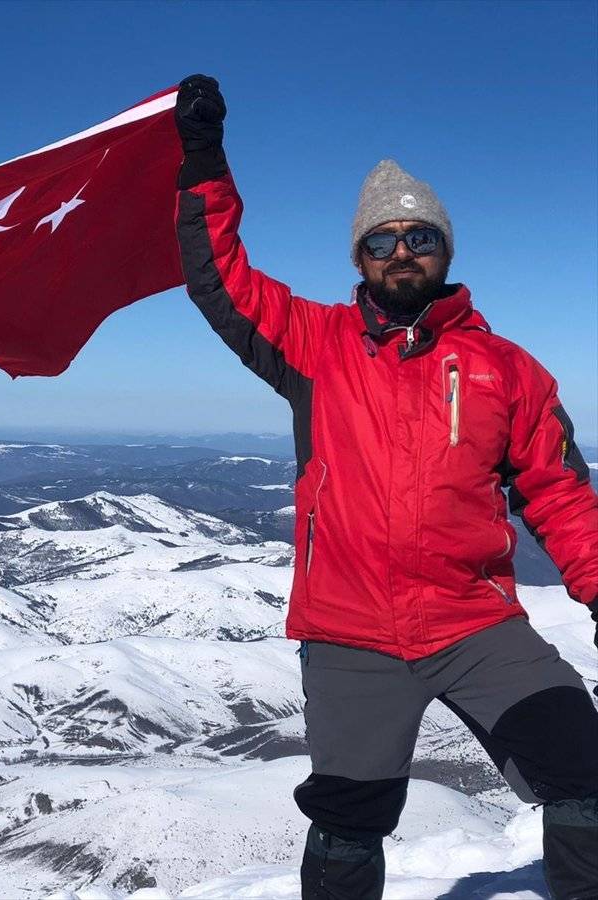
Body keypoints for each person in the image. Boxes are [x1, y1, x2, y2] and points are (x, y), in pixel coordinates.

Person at [172, 75, 598, 900]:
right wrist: (204, 162)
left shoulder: (508, 370)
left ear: (446, 252)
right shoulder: (313, 344)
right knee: (347, 818)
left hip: (475, 621)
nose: (402, 250)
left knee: (582, 769)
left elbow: (559, 494)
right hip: (351, 630)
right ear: (360, 257)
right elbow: (218, 278)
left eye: (421, 236)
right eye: (383, 240)